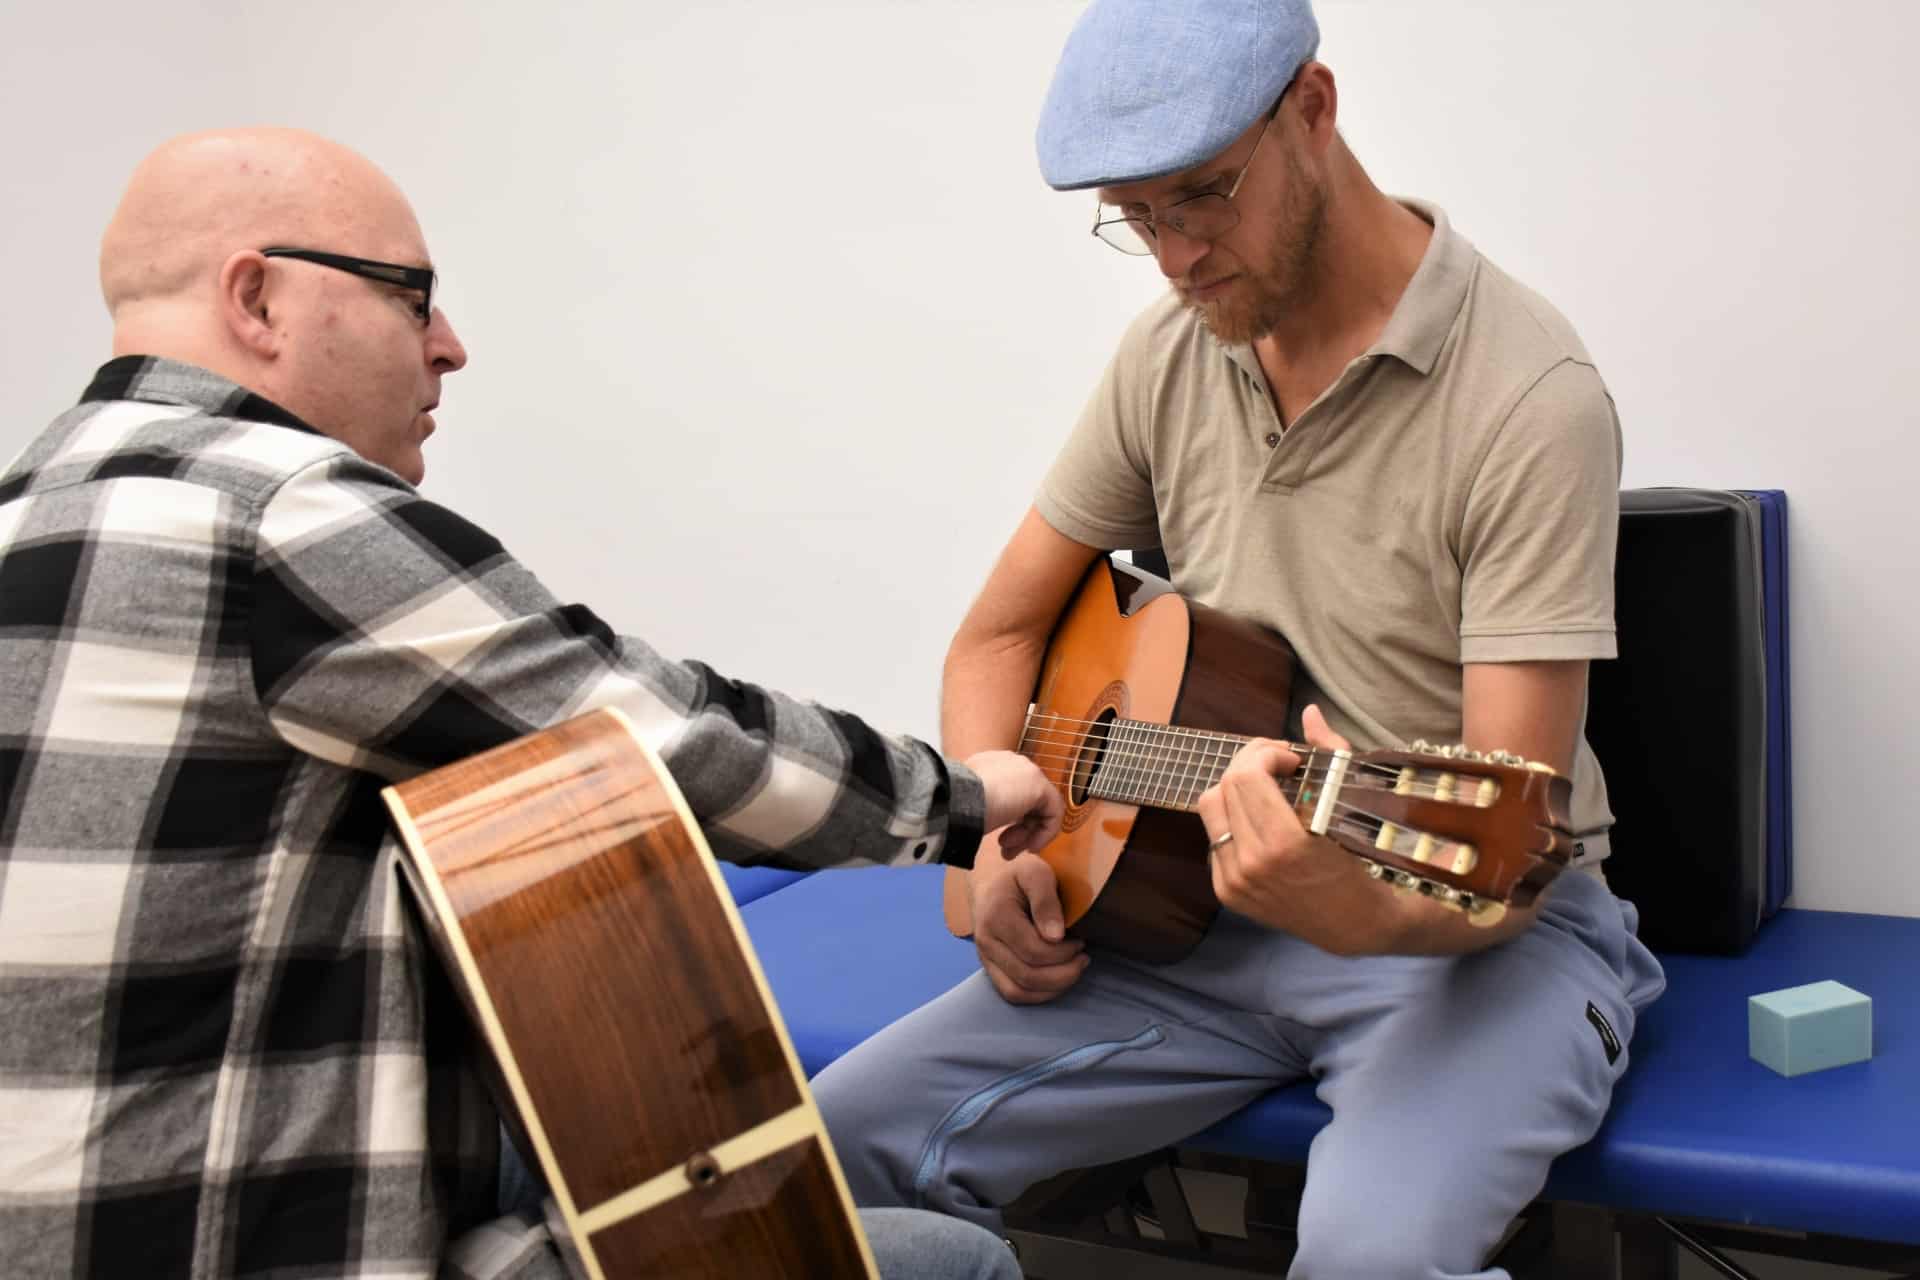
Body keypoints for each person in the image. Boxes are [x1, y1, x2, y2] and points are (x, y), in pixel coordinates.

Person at [0, 128, 1043, 1280]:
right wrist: (965, 795)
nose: (450, 346)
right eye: (414, 297)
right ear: (258, 297)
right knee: (951, 1261)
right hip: (234, 1232)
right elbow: (658, 734)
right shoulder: (278, 514)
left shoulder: (28, 510)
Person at [812, 2, 1669, 1276]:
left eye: (1200, 197)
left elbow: (1507, 857)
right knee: (815, 1160)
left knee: (1368, 1261)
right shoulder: (1169, 351)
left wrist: (1353, 911)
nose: (1172, 253)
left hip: (1486, 940)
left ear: (1312, 110)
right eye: (1134, 213)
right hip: (1192, 920)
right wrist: (994, 849)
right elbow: (996, 637)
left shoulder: (1529, 398)